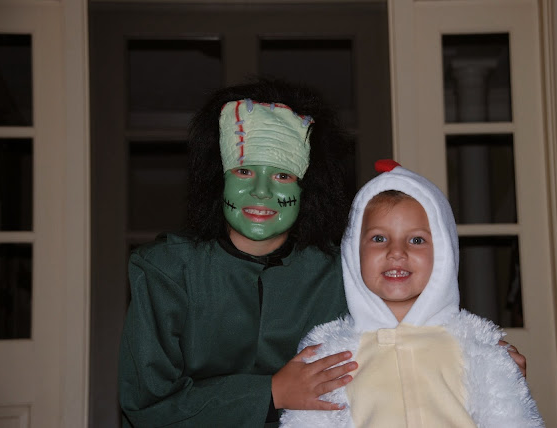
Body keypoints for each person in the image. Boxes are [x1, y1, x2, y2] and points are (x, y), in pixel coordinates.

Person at [118, 79, 527, 427]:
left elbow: (410, 326)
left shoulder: (343, 272)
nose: (261, 191)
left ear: (307, 188)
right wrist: (270, 393)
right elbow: (145, 404)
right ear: (217, 178)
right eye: (244, 171)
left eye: (282, 175)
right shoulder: (165, 271)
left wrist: (486, 366)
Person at [280, 160, 544, 427]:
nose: (396, 252)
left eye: (416, 240)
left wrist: (506, 374)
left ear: (443, 251)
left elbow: (512, 420)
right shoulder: (333, 354)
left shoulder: (476, 346)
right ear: (353, 251)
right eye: (379, 238)